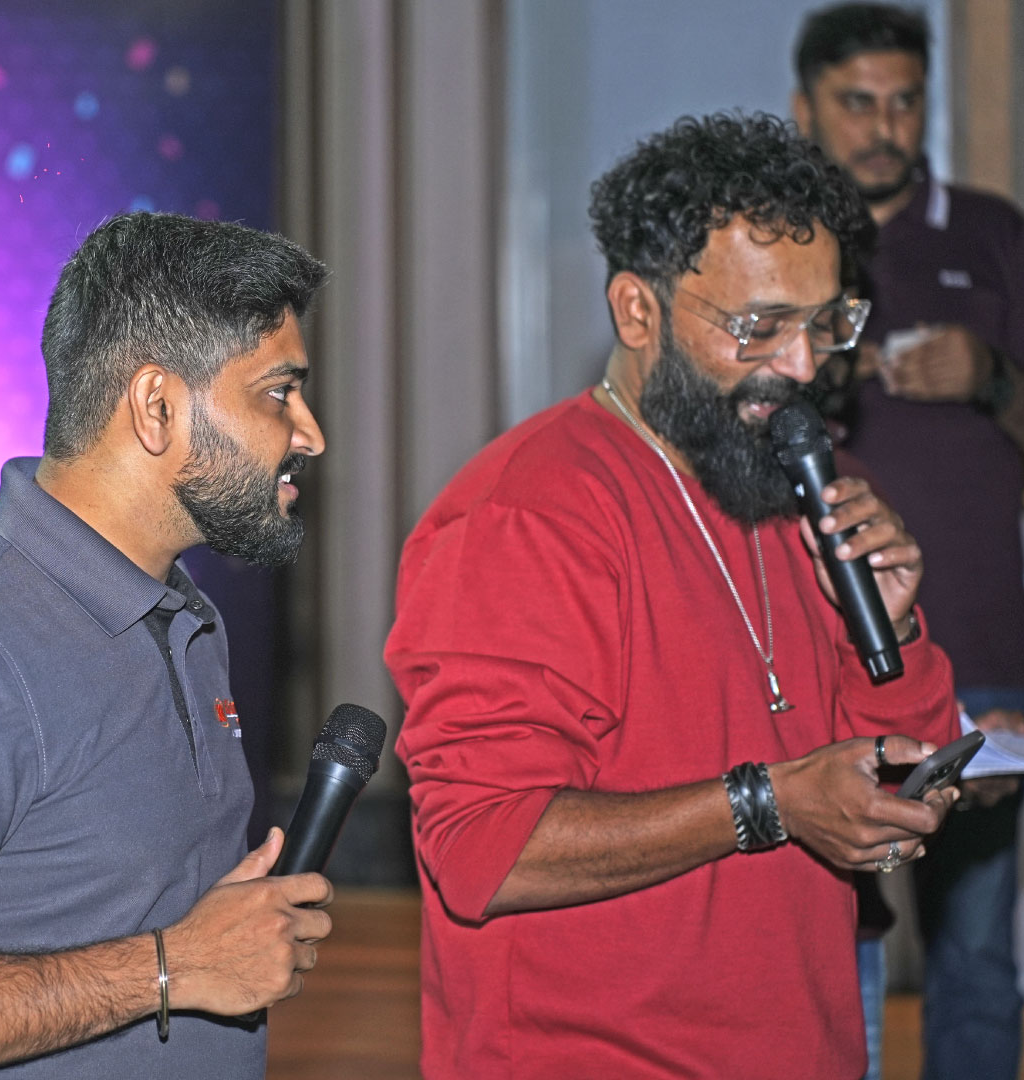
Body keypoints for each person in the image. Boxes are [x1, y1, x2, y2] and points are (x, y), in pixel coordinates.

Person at [386, 112, 963, 1079]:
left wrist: (894, 631)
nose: (803, 367)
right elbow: (484, 847)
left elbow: (895, 764)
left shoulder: (797, 484)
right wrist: (767, 804)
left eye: (827, 324)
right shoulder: (525, 514)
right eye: (760, 327)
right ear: (636, 310)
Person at [0, 212, 335, 1079]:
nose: (309, 433)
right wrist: (173, 968)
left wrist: (213, 944)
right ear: (157, 407)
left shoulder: (186, 615)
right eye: (278, 393)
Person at [792, 7, 1024, 1078]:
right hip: (809, 664)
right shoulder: (780, 246)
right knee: (816, 952)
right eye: (856, 103)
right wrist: (822, 366)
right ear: (804, 108)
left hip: (978, 659)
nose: (885, 126)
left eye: (905, 102)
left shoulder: (990, 233)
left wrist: (992, 377)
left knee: (973, 954)